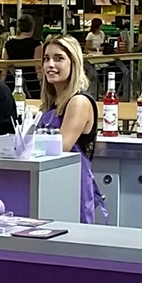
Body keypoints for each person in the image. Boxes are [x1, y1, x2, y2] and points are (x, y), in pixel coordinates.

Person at [36, 34, 108, 223]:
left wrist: (23, 143)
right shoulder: (51, 105)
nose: (50, 65)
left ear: (73, 63)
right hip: (50, 182)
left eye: (59, 58)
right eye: (46, 59)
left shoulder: (79, 102)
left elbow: (61, 146)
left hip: (72, 185)